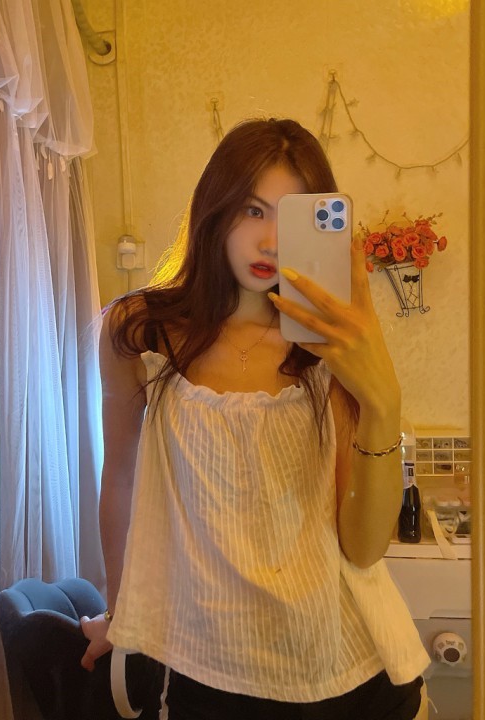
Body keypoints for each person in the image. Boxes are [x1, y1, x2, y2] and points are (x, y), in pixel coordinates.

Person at [80, 118, 430, 719]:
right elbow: (122, 478)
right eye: (252, 210)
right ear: (214, 211)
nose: (270, 240)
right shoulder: (141, 331)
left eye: (291, 217)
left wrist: (382, 402)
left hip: (345, 663)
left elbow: (365, 548)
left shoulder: (331, 345)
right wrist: (120, 612)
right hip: (207, 665)